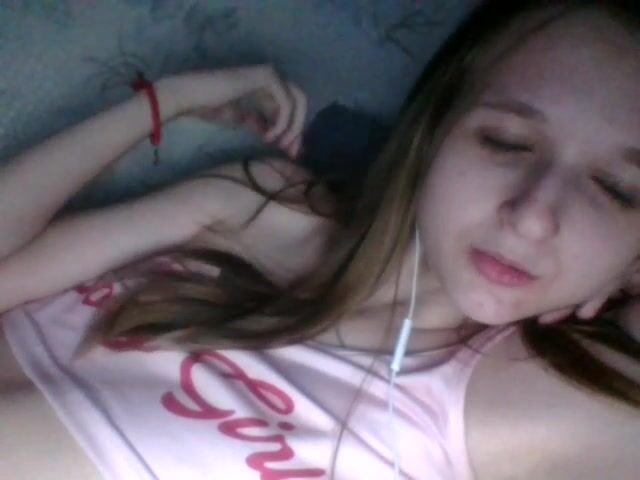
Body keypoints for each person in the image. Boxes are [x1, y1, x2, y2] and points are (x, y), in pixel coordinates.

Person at [1, 0, 639, 478]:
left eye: (617, 190)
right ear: (433, 134)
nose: (534, 216)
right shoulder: (261, 203)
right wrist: (165, 101)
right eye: (506, 141)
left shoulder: (535, 403)